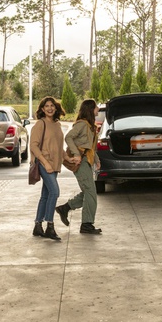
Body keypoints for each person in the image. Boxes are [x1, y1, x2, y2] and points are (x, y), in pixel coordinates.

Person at [56, 99, 101, 234]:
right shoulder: (82, 124)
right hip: (80, 163)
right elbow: (68, 137)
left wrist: (97, 160)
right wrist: (76, 154)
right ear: (90, 109)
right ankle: (86, 224)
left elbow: (92, 148)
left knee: (88, 192)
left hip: (88, 161)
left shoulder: (90, 126)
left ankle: (65, 208)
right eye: (96, 107)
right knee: (91, 192)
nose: (98, 109)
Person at [31, 96, 67, 241]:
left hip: (55, 165)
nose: (50, 108)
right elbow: (33, 145)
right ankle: (49, 226)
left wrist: (67, 158)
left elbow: (58, 146)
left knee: (46, 195)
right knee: (54, 192)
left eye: (52, 105)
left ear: (56, 107)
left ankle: (37, 226)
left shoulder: (57, 124)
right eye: (47, 106)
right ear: (42, 109)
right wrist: (45, 163)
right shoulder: (40, 124)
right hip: (45, 163)